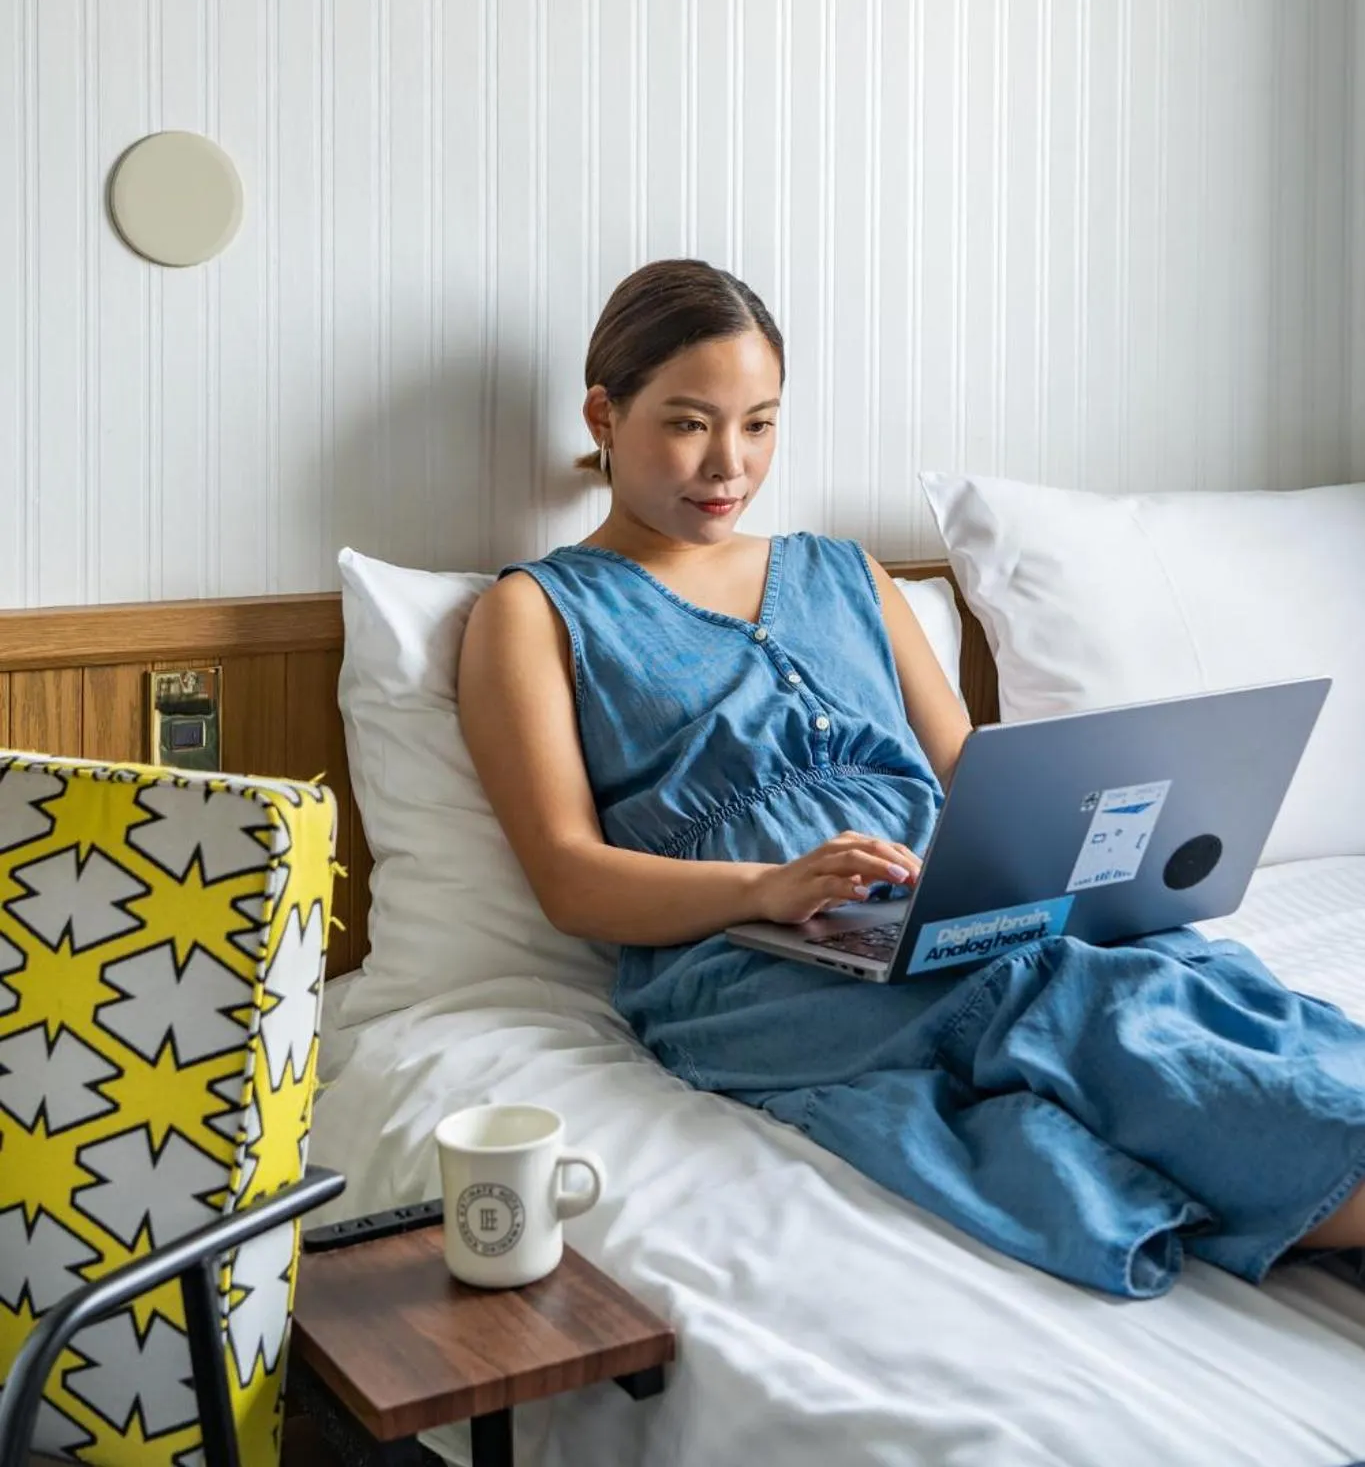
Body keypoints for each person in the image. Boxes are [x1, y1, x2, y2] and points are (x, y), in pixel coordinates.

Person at [457, 258, 1365, 1298]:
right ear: (604, 414)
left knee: (1169, 965)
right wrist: (768, 886)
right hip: (744, 956)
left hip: (937, 910)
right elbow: (570, 877)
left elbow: (977, 771)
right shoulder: (534, 612)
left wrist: (1104, 836)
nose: (729, 463)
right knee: (1060, 999)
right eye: (689, 422)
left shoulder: (847, 573)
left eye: (759, 423)